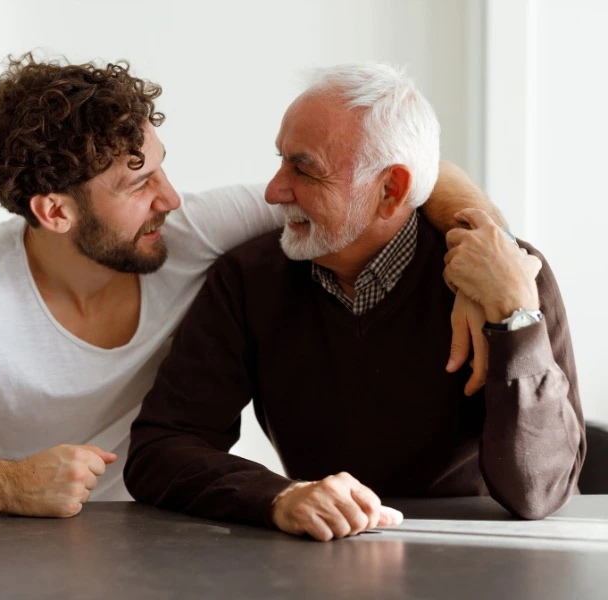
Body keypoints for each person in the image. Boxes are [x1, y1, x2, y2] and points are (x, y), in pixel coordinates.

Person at [0, 55, 500, 517]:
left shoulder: (189, 228)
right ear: (55, 212)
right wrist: (6, 486)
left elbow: (403, 173)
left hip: (152, 536)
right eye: (138, 183)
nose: (169, 197)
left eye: (162, 167)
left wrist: (483, 258)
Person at [124, 63, 585, 540]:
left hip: (475, 552)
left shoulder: (509, 277)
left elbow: (539, 492)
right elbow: (161, 448)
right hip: (320, 552)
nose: (273, 191)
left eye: (304, 168)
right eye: (281, 160)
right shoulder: (247, 280)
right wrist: (279, 497)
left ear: (391, 190)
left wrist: (515, 319)